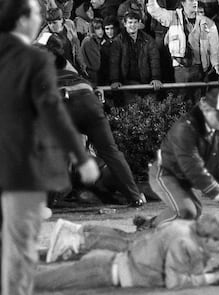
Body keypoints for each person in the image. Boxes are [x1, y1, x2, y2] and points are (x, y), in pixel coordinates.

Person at [0, 0, 99, 295]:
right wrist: (81, 158)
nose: (40, 18)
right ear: (22, 19)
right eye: (36, 13)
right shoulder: (35, 58)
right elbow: (52, 112)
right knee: (20, 243)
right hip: (19, 162)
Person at [0, 214, 219, 290]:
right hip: (104, 271)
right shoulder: (183, 241)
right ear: (207, 236)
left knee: (37, 273)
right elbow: (175, 282)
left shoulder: (186, 230)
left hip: (109, 263)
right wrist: (210, 279)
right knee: (32, 280)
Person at [39, 32, 145, 207]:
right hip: (89, 101)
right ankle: (134, 197)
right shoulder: (66, 64)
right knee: (111, 152)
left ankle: (46, 204)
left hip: (64, 105)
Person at [46, 207, 219, 264]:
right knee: (131, 245)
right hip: (194, 233)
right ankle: (78, 238)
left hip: (192, 228)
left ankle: (78, 232)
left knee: (132, 241)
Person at [147, 88, 219, 228]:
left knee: (194, 213)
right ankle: (148, 229)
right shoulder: (185, 129)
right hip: (166, 172)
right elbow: (194, 169)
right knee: (186, 212)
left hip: (186, 178)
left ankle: (153, 223)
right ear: (206, 109)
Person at [146, 0, 219, 100]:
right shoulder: (173, 17)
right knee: (182, 99)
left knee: (199, 100)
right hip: (181, 68)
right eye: (191, 0)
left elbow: (214, 47)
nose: (195, 3)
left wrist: (216, 64)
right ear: (183, 3)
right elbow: (154, 11)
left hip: (201, 69)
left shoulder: (208, 23)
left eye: (195, 0)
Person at [109, 12, 162, 91]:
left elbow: (154, 59)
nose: (133, 25)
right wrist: (114, 80)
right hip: (125, 85)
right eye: (130, 22)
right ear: (125, 24)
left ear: (139, 23)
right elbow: (114, 62)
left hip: (146, 83)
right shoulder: (117, 41)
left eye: (135, 22)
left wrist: (156, 78)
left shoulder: (148, 40)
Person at [38, 7, 86, 73]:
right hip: (58, 69)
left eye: (54, 23)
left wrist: (81, 63)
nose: (51, 26)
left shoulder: (69, 24)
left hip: (72, 63)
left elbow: (76, 44)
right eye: (49, 23)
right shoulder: (45, 35)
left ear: (61, 20)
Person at [80, 17, 104, 84]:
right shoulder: (89, 41)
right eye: (98, 28)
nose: (101, 31)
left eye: (102, 28)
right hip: (91, 78)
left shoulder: (97, 41)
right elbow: (96, 65)